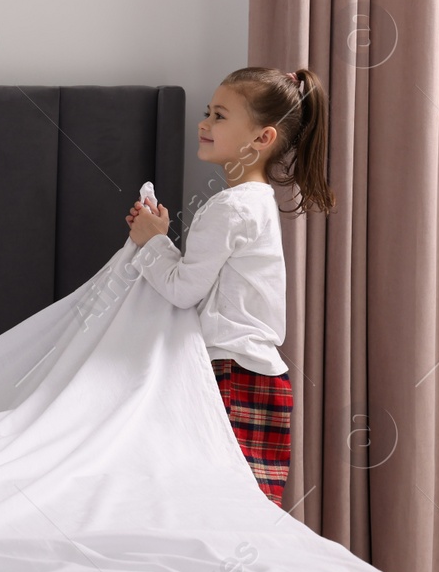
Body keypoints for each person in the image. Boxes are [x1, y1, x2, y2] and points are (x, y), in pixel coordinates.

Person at [124, 67, 334, 506]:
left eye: (219, 116)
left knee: (228, 499)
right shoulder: (255, 202)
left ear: (262, 138)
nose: (204, 124)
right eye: (207, 112)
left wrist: (151, 243)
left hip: (234, 374)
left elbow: (184, 290)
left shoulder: (231, 208)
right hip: (257, 373)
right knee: (249, 501)